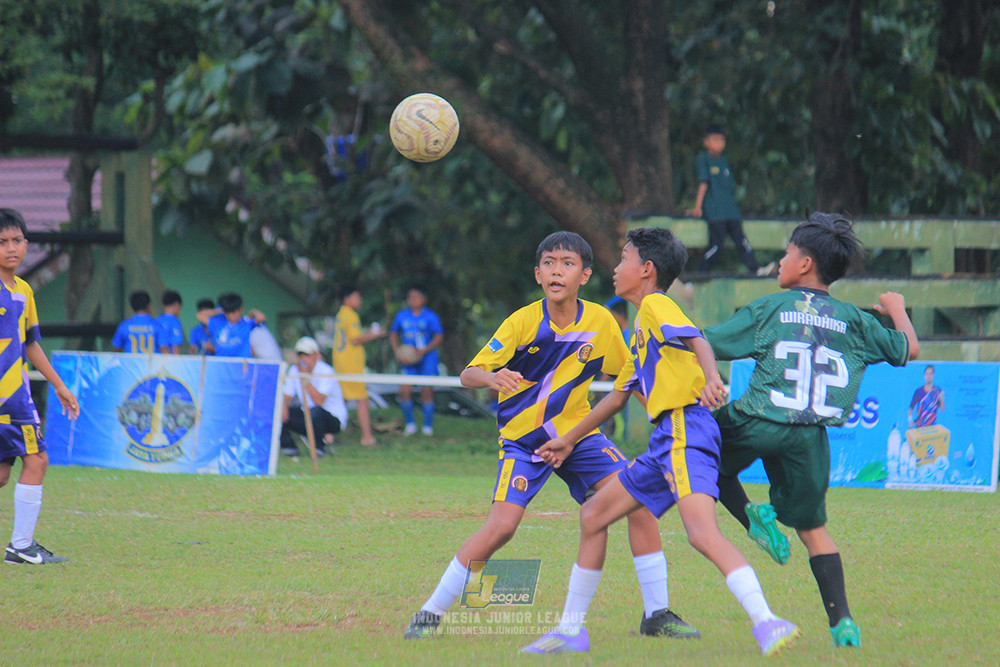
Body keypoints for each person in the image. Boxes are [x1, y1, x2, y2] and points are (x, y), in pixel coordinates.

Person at [405, 232, 699, 642]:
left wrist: (683, 387)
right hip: (524, 443)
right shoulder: (522, 322)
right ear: (538, 274)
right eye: (548, 262)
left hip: (579, 438)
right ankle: (430, 612)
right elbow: (468, 374)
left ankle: (657, 614)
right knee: (502, 527)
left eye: (567, 262)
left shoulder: (600, 322)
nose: (556, 269)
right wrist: (493, 376)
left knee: (639, 505)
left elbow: (631, 374)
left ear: (585, 275)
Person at [523, 227, 799, 657]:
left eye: (623, 260)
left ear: (646, 270)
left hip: (686, 430)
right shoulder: (641, 326)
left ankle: (768, 622)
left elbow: (697, 338)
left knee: (702, 534)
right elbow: (618, 396)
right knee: (594, 514)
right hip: (664, 442)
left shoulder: (656, 304)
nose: (616, 269)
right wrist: (568, 439)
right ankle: (570, 631)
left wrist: (711, 377)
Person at [703, 213, 920, 649]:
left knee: (702, 455)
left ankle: (750, 518)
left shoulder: (771, 309)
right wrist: (895, 308)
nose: (780, 260)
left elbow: (706, 340)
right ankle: (844, 625)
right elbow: (909, 348)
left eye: (786, 253)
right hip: (810, 437)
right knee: (813, 530)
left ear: (804, 264)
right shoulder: (855, 321)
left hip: (759, 418)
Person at [0, 208, 80, 564]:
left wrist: (59, 385)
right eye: (2, 242)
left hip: (15, 394)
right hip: (11, 399)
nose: (10, 248)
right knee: (37, 459)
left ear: (27, 244)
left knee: (3, 474)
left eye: (17, 240)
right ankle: (20, 546)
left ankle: (21, 545)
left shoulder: (25, 291)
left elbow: (30, 344)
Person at [686, 125, 771, 275]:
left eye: (722, 140)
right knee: (717, 247)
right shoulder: (704, 159)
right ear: (706, 142)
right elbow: (703, 183)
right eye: (715, 139)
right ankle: (698, 276)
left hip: (731, 211)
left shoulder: (724, 161)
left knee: (742, 242)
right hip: (715, 212)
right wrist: (698, 207)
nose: (719, 143)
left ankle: (756, 269)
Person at [333, 284, 386, 447]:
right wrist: (374, 335)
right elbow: (355, 340)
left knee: (339, 398)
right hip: (350, 365)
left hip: (340, 362)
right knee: (362, 399)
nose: (359, 300)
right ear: (347, 298)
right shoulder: (351, 315)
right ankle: (367, 437)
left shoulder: (340, 314)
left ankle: (328, 435)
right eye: (357, 296)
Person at [280, 336, 348, 457]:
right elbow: (287, 394)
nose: (302, 359)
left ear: (316, 355)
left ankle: (318, 448)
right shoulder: (294, 370)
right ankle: (289, 447)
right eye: (300, 355)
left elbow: (318, 401)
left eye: (306, 355)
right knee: (278, 411)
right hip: (308, 415)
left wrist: (306, 378)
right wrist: (283, 408)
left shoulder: (326, 372)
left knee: (316, 412)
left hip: (332, 418)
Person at [389, 285, 443, 436]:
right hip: (408, 359)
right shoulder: (402, 316)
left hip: (427, 358)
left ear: (423, 299)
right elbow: (393, 334)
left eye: (416, 297)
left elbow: (439, 336)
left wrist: (423, 351)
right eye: (410, 297)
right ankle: (410, 424)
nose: (412, 300)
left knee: (426, 390)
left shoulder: (431, 316)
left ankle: (427, 426)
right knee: (404, 390)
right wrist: (397, 351)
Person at [198, 293, 266, 358]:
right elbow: (200, 315)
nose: (231, 316)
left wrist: (252, 312)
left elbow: (261, 317)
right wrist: (221, 310)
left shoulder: (246, 323)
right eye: (228, 313)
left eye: (233, 312)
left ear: (240, 309)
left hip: (242, 364)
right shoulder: (218, 323)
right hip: (223, 364)